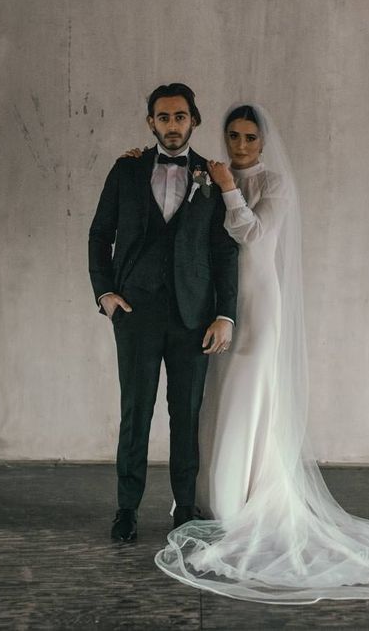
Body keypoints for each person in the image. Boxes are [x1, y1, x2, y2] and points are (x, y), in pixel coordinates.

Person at [136, 104, 369, 602]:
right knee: (216, 397)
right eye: (233, 136)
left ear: (263, 142)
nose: (239, 146)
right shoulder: (206, 174)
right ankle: (214, 498)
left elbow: (252, 235)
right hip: (216, 305)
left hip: (258, 304)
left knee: (249, 397)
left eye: (250, 138)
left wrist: (228, 188)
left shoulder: (271, 185)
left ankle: (240, 503)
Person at [88, 83, 238, 543]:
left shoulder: (212, 176)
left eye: (180, 116)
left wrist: (224, 314)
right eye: (163, 117)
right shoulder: (126, 170)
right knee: (136, 411)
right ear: (150, 122)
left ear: (194, 119)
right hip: (136, 312)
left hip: (193, 316)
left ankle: (185, 508)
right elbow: (99, 235)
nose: (172, 125)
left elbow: (224, 251)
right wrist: (105, 293)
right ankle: (127, 509)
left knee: (186, 414)